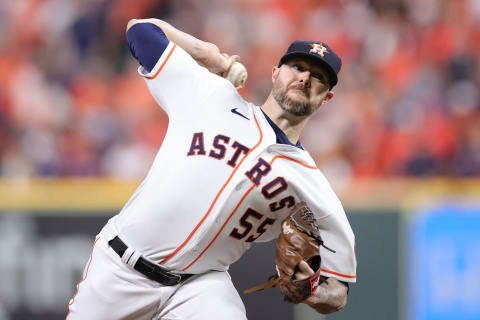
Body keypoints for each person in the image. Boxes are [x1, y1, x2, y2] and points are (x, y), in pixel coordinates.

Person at [66, 18, 357, 319]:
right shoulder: (211, 96)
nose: (305, 78)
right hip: (121, 267)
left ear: (326, 98)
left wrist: (311, 291)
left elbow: (338, 293)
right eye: (297, 67)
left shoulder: (312, 184)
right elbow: (140, 30)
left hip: (199, 286)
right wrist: (206, 53)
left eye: (319, 77)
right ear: (275, 72)